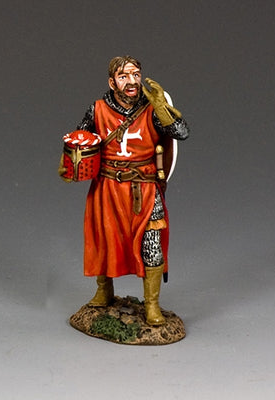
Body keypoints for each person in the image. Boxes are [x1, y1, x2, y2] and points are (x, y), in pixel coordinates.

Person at [72, 55, 189, 326]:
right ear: (112, 82)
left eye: (135, 74)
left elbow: (182, 133)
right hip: (107, 187)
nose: (132, 81)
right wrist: (72, 161)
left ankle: (152, 305)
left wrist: (162, 107)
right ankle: (104, 291)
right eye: (123, 76)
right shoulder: (97, 109)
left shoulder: (152, 109)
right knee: (104, 239)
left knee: (152, 244)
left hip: (144, 188)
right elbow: (81, 138)